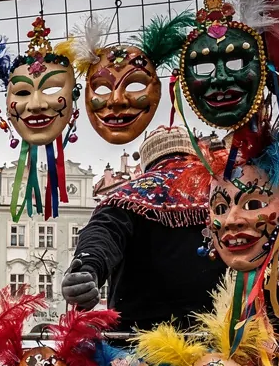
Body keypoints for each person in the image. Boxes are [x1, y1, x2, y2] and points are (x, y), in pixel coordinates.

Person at [63, 126, 226, 333]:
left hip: (138, 344)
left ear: (147, 161)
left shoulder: (126, 198)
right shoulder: (224, 196)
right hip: (218, 342)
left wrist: (87, 266)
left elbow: (102, 232)